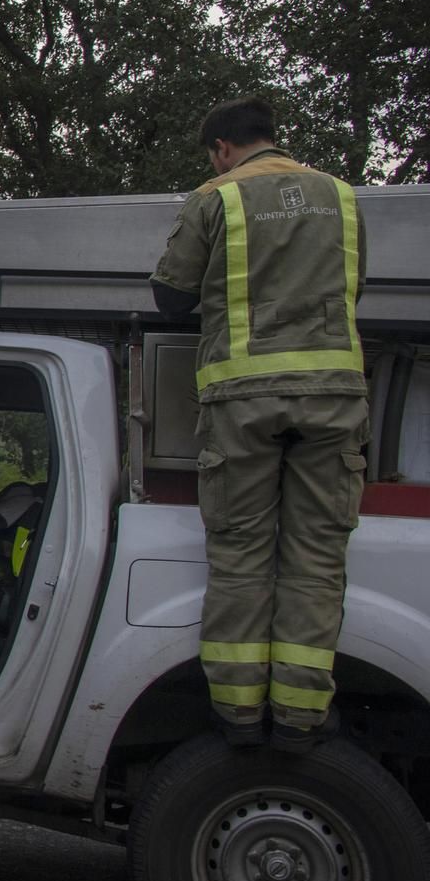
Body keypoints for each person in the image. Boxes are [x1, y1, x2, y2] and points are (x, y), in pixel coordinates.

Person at [151, 97, 369, 753]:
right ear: (272, 139)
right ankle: (302, 717)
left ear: (222, 147)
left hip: (243, 400)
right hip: (334, 396)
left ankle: (240, 715)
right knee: (316, 558)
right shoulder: (341, 195)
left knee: (242, 556)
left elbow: (171, 294)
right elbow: (353, 288)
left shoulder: (215, 196)